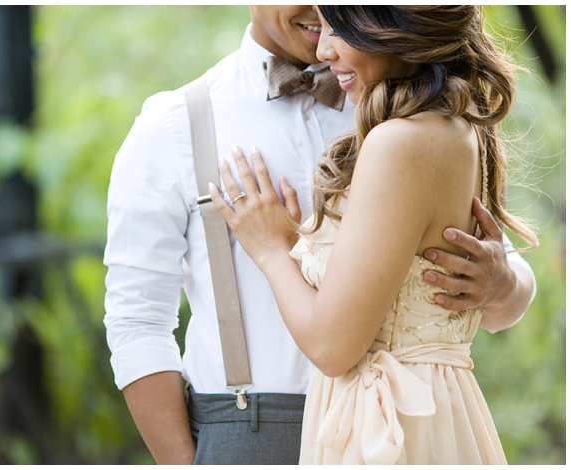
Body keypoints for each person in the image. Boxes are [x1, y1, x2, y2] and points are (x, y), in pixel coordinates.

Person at [104, 5, 536, 465]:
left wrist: (502, 283)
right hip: (248, 433)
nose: (319, 10)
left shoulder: (396, 101)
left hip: (392, 425)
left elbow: (494, 285)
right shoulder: (172, 125)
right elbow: (138, 321)